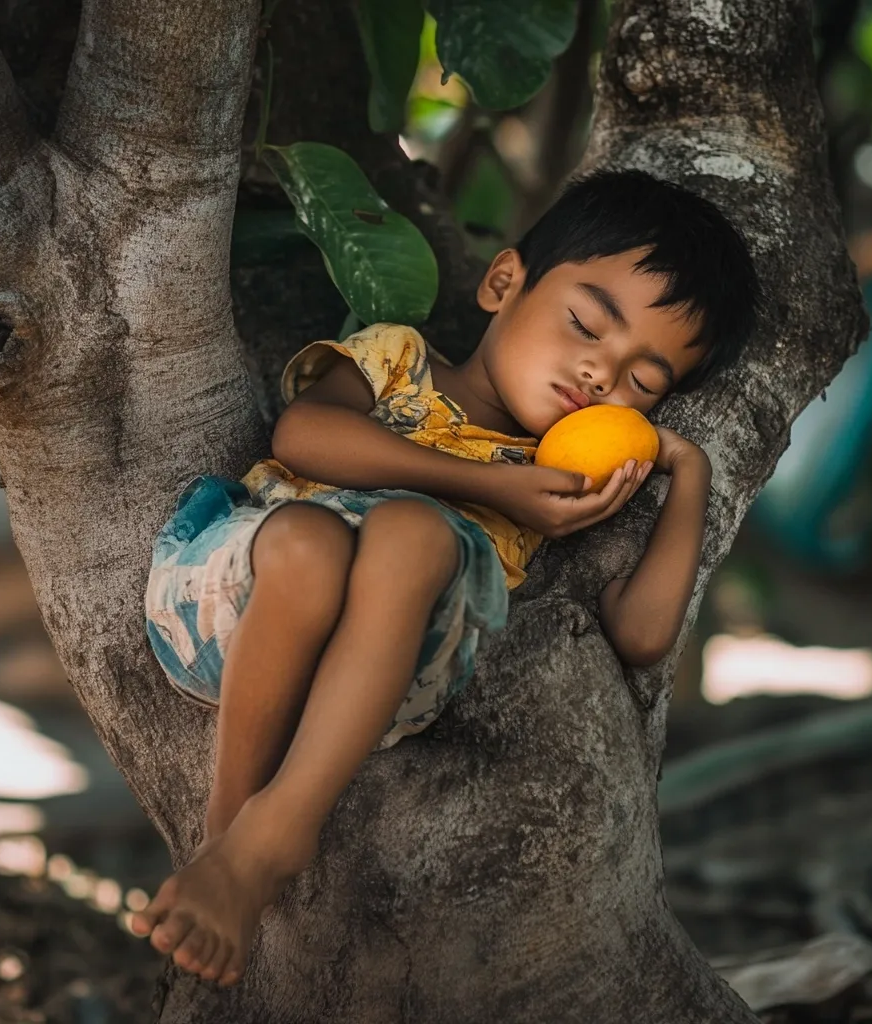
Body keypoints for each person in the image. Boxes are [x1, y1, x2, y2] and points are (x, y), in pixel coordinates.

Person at [130, 169, 761, 985]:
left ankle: (273, 832)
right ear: (504, 283)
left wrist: (691, 475)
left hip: (388, 676)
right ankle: (232, 837)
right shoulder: (401, 358)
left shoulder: (565, 476)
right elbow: (305, 434)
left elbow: (642, 636)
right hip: (219, 604)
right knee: (309, 547)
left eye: (644, 381)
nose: (603, 374)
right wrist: (492, 486)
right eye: (586, 324)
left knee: (414, 535)